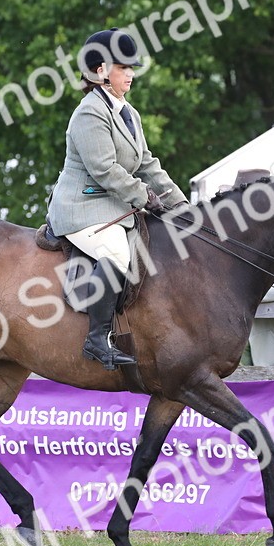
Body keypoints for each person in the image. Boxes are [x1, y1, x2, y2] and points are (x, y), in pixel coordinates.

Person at [46, 27, 188, 370]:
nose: (131, 74)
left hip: (111, 206)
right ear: (99, 71)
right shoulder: (88, 112)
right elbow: (105, 170)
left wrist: (182, 206)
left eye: (131, 67)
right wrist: (144, 197)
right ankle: (97, 339)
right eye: (123, 67)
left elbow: (148, 163)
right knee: (116, 252)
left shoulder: (129, 113)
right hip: (81, 207)